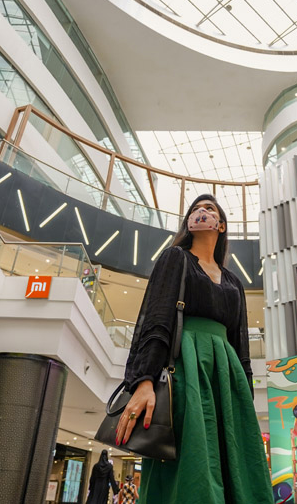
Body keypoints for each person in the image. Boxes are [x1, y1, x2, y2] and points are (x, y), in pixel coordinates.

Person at [116, 195, 271, 503]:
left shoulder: (234, 282)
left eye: (209, 209)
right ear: (188, 222)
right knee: (191, 458)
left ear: (221, 225)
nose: (201, 212)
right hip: (187, 367)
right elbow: (157, 318)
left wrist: (244, 394)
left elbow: (240, 343)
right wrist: (144, 381)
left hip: (226, 376)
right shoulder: (175, 258)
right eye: (195, 209)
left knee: (235, 462)